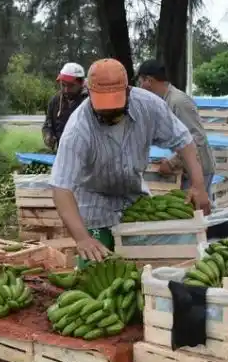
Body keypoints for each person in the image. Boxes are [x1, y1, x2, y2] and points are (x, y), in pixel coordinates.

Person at [50, 58, 211, 263]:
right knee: (94, 268)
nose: (109, 112)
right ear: (89, 93)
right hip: (94, 202)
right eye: (103, 107)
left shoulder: (149, 105)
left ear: (128, 91)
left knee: (148, 263)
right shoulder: (78, 129)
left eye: (114, 105)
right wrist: (82, 238)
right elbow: (61, 188)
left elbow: (184, 141)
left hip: (134, 198)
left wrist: (198, 185)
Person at [136, 59, 216, 194]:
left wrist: (171, 163)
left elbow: (197, 138)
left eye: (140, 82)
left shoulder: (178, 102)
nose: (140, 87)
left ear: (148, 81)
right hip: (182, 170)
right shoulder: (161, 101)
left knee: (195, 212)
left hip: (197, 171)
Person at [41, 62, 89, 153]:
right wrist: (48, 135)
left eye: (71, 86)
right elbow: (48, 124)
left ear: (81, 83)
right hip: (62, 153)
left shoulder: (89, 102)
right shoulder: (55, 101)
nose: (66, 90)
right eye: (63, 85)